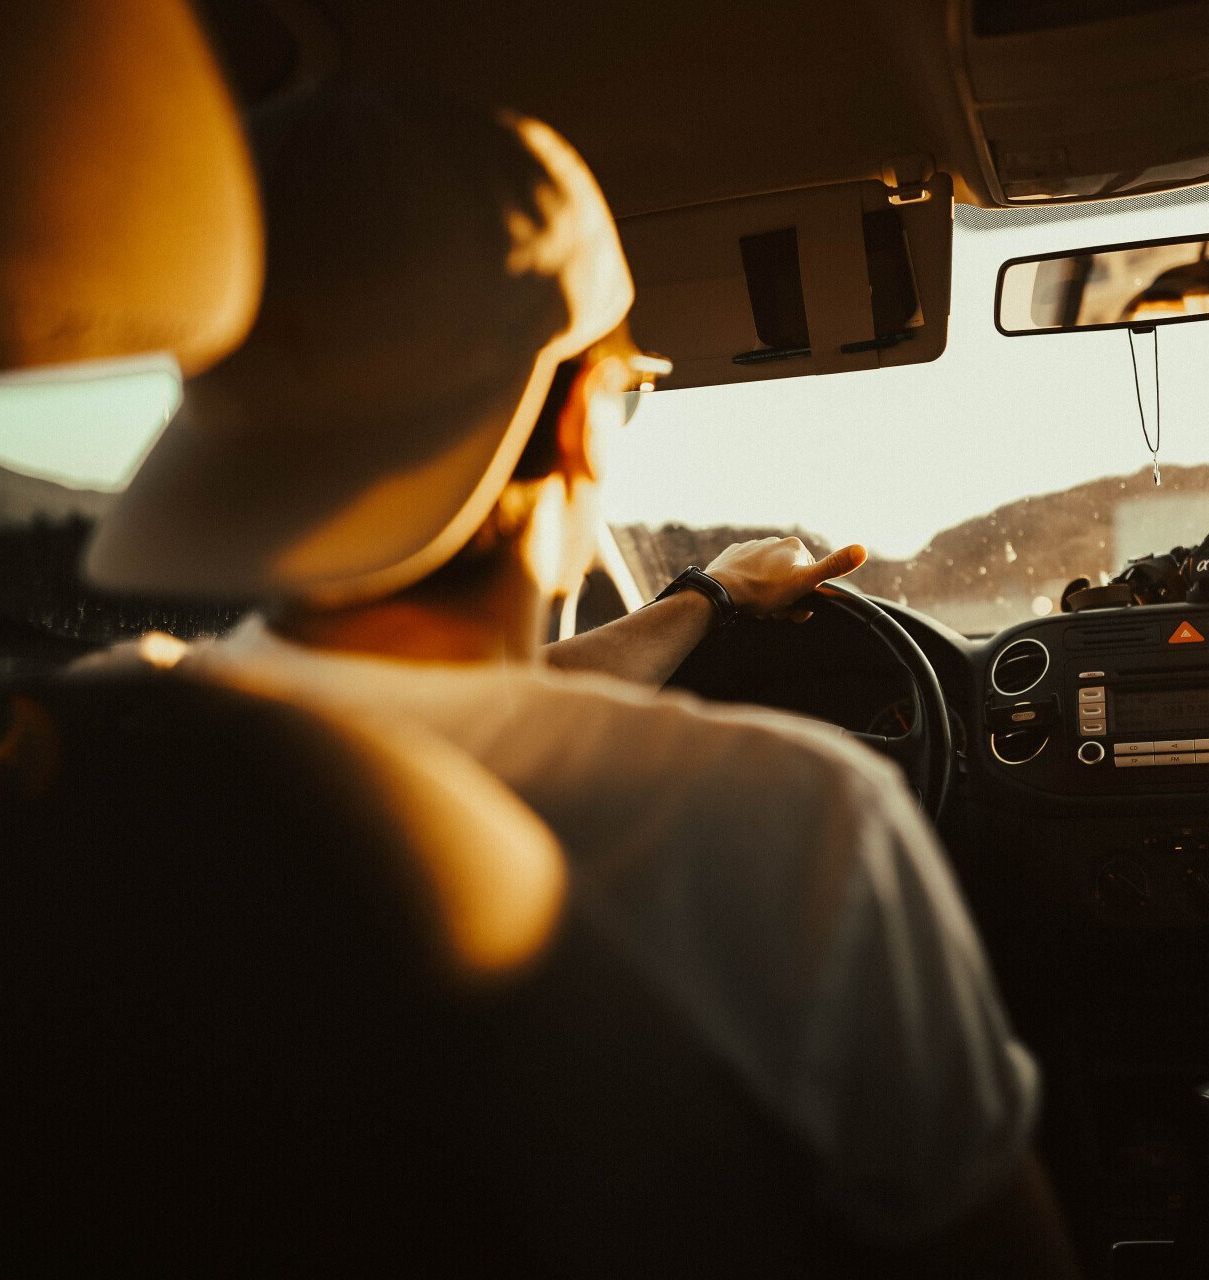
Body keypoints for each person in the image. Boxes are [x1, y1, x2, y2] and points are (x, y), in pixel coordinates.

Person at [85, 83, 1077, 1272]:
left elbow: (440, 713)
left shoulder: (88, 773)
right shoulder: (789, 820)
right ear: (577, 433)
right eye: (628, 392)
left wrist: (701, 598)